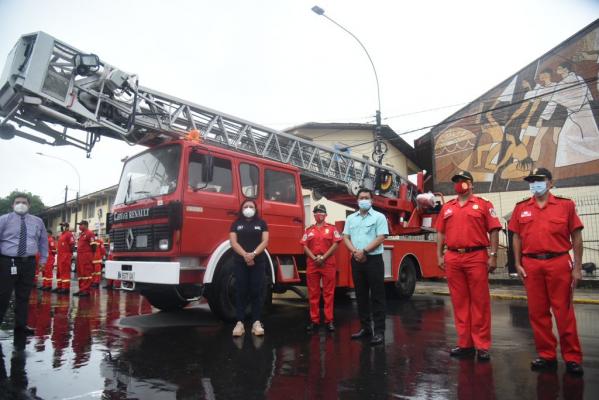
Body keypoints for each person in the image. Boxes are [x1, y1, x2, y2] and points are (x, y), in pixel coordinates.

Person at [508, 167, 584, 376]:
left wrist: (577, 268)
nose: (535, 184)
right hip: (531, 265)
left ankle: (572, 357)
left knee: (564, 313)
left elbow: (576, 237)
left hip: (559, 263)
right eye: (532, 180)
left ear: (550, 183)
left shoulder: (565, 205)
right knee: (537, 313)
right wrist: (517, 262)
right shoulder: (521, 208)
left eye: (539, 180)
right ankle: (547, 355)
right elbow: (516, 237)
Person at [436, 171, 501, 361]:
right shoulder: (448, 207)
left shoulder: (483, 204)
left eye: (463, 181)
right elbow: (440, 232)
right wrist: (439, 255)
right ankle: (465, 344)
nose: (459, 184)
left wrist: (493, 255)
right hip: (453, 257)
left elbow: (494, 230)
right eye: (456, 182)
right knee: (459, 302)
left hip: (477, 256)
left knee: (479, 302)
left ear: (471, 184)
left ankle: (482, 346)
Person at [343, 188, 389, 346]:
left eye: (366, 198)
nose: (363, 200)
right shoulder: (351, 219)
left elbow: (381, 236)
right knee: (360, 295)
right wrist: (355, 252)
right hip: (356, 259)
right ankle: (365, 328)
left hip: (373, 260)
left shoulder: (379, 217)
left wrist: (364, 251)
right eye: (361, 197)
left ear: (371, 200)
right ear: (357, 201)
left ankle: (380, 332)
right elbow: (346, 237)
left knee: (377, 296)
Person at [0, 193, 48, 335]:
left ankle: (21, 326)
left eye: (24, 202)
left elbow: (43, 242)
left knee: (24, 296)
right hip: (7, 262)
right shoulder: (4, 220)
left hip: (29, 263)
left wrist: (43, 260)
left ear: (29, 205)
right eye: (18, 202)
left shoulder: (38, 221)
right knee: (3, 295)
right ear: (12, 205)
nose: (21, 204)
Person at [229, 199, 269, 337]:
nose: (248, 208)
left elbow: (265, 241)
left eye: (251, 206)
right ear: (241, 209)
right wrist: (245, 255)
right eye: (245, 206)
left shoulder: (261, 223)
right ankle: (239, 323)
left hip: (258, 262)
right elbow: (233, 242)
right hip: (240, 262)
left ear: (255, 209)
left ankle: (256, 323)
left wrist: (253, 254)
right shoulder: (236, 224)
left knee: (256, 291)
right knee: (241, 291)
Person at [301, 204, 342, 332]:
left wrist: (323, 258)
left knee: (328, 293)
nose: (319, 214)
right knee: (313, 293)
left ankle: (329, 321)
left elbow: (336, 244)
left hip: (328, 263)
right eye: (316, 212)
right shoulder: (309, 230)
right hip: (313, 263)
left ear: (325, 215)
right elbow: (304, 246)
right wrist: (314, 258)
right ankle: (314, 320)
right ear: (314, 215)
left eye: (321, 212)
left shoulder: (331, 229)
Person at [74, 220, 96, 297]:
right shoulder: (81, 234)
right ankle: (81, 289)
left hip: (86, 255)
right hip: (80, 256)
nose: (79, 226)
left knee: (86, 272)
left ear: (85, 225)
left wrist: (89, 254)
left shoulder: (90, 233)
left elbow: (94, 246)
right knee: (80, 273)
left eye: (81, 225)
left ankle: (86, 290)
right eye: (79, 225)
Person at [55, 222, 75, 294]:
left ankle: (65, 288)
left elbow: (72, 245)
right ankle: (60, 286)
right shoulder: (61, 235)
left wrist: (69, 254)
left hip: (65, 255)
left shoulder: (69, 234)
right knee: (59, 271)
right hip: (60, 255)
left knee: (65, 271)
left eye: (62, 226)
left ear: (66, 227)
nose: (61, 227)